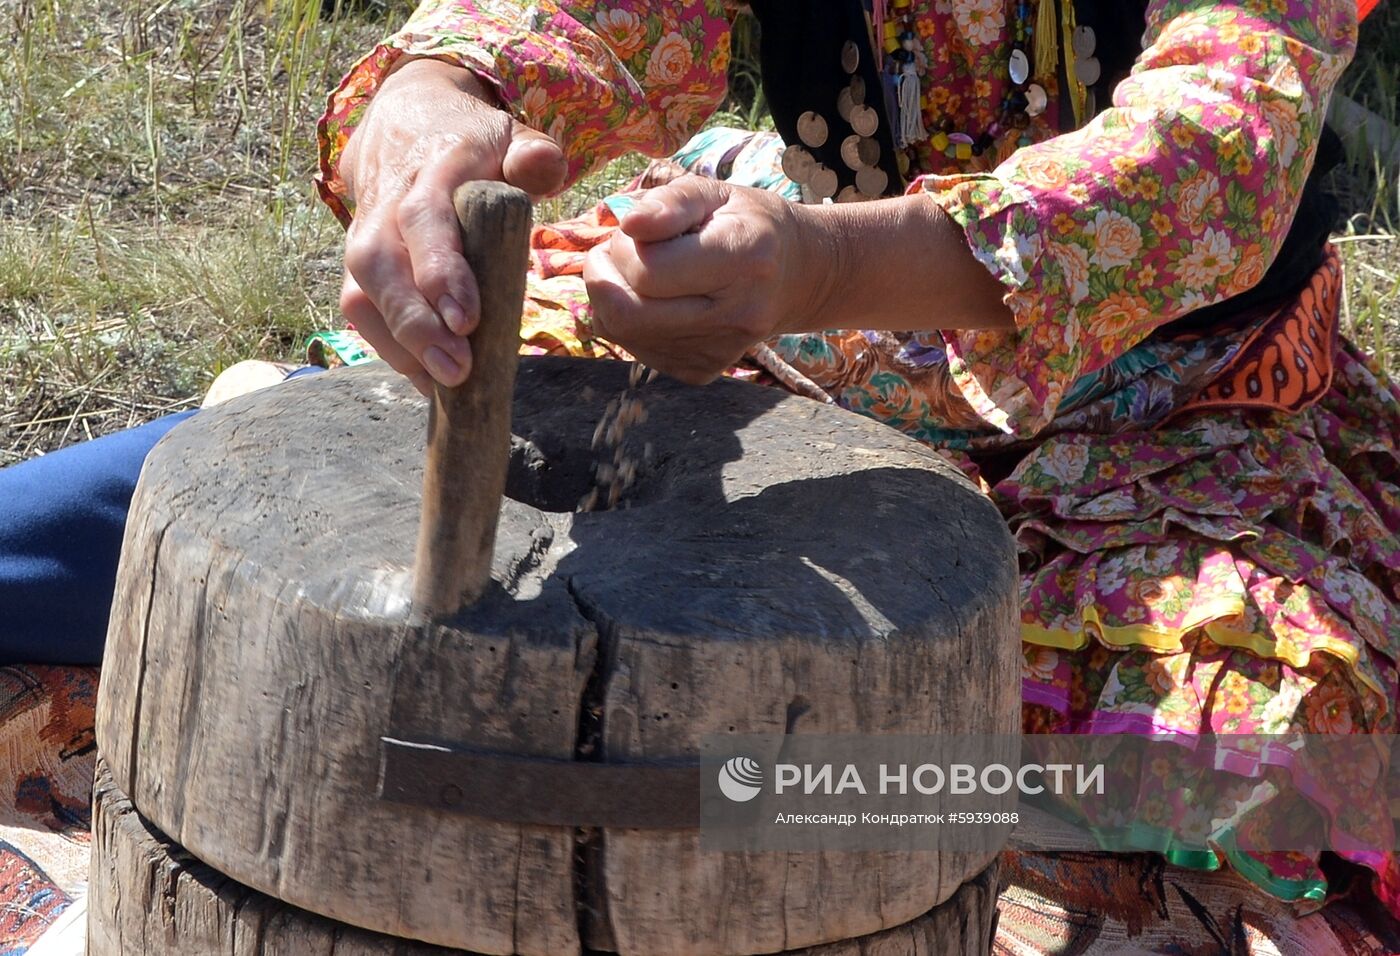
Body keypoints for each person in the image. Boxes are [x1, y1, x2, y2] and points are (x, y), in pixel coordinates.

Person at [0, 0, 1395, 949]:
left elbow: (1218, 147)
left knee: (1247, 792)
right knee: (258, 502)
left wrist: (828, 265)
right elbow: (586, 16)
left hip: (1178, 410)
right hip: (786, 335)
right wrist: (430, 110)